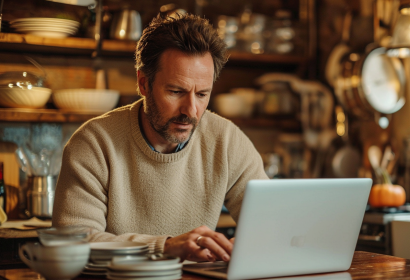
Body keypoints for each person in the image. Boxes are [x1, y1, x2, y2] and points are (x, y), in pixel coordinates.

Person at [52, 13, 268, 263]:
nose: (190, 111)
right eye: (176, 91)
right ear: (143, 84)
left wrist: (246, 246)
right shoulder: (94, 143)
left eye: (202, 94)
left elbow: (272, 220)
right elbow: (72, 241)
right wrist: (163, 247)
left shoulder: (227, 140)